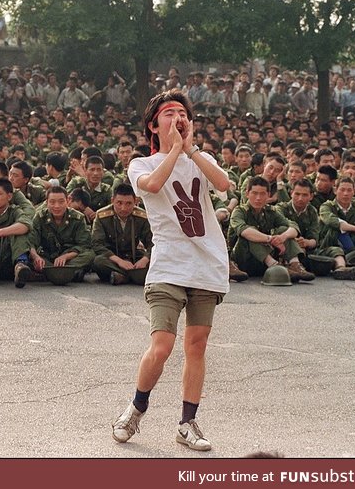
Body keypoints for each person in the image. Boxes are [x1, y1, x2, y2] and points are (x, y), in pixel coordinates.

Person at [112, 90, 231, 452]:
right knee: (162, 345)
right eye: (169, 113)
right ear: (153, 124)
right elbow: (151, 186)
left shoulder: (201, 158)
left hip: (207, 264)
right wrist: (175, 150)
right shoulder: (141, 164)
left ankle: (187, 422)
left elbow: (224, 185)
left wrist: (191, 149)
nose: (178, 117)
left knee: (197, 345)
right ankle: (136, 408)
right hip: (168, 265)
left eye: (183, 113)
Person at [230, 176, 314, 281]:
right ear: (247, 193)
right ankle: (275, 266)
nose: (258, 198)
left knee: (283, 229)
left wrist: (282, 238)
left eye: (262, 194)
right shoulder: (239, 211)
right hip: (243, 258)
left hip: (261, 260)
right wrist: (270, 239)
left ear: (268, 195)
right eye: (254, 193)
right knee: (251, 233)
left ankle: (295, 264)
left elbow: (293, 226)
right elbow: (245, 231)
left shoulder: (271, 211)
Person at [28, 186, 95, 281]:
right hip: (48, 258)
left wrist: (65, 256)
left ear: (67, 201)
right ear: (46, 203)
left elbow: (84, 244)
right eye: (52, 202)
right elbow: (31, 242)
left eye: (61, 202)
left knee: (90, 255)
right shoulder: (39, 217)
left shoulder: (78, 218)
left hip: (69, 258)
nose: (57, 206)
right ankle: (68, 273)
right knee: (30, 256)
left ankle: (52, 273)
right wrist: (36, 257)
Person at [91, 183, 152, 285]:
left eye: (128, 203)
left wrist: (145, 260)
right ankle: (135, 276)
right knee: (98, 261)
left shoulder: (142, 217)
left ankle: (122, 277)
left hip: (133, 257)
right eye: (119, 203)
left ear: (135, 202)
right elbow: (97, 244)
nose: (123, 208)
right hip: (112, 258)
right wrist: (120, 261)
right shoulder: (102, 216)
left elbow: (153, 243)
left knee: (156, 261)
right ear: (112, 201)